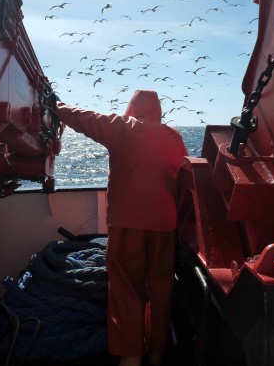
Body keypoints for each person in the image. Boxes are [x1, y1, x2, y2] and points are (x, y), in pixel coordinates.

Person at [56, 90, 188, 366]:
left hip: (127, 225)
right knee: (161, 289)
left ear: (132, 108)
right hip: (165, 228)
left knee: (126, 290)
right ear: (158, 111)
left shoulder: (122, 128)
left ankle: (131, 357)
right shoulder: (175, 138)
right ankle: (157, 353)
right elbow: (186, 178)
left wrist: (57, 106)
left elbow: (87, 119)